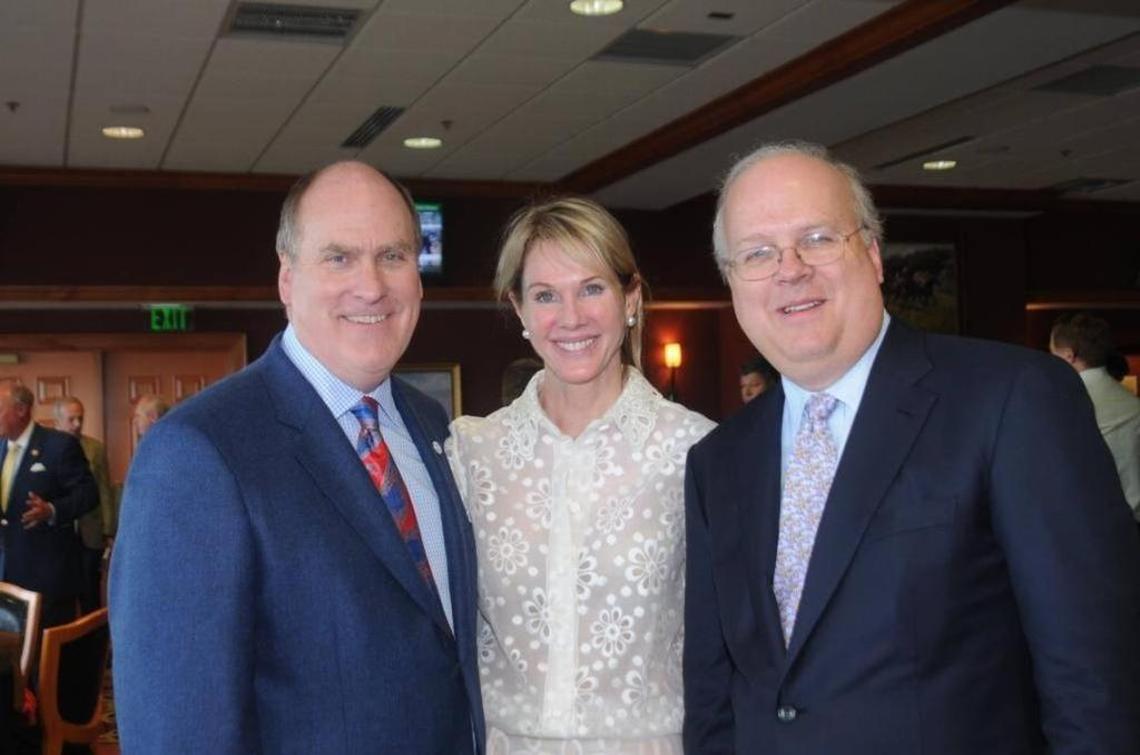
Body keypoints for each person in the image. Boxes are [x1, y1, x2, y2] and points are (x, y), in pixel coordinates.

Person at [683, 141, 1140, 753]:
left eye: (817, 238)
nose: (790, 268)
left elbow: (1094, 674)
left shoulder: (1010, 400)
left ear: (872, 254)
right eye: (757, 253)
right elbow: (717, 694)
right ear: (733, 282)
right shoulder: (719, 459)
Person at [110, 161, 486, 753]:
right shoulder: (199, 452)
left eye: (393, 255)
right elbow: (176, 730)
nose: (371, 285)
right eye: (338, 257)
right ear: (287, 280)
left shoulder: (432, 425)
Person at [447, 197, 714, 755]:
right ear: (519, 310)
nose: (571, 317)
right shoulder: (471, 453)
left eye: (592, 288)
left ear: (631, 298)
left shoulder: (696, 450)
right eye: (545, 295)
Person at [0, 380, 98, 628]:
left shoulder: (59, 445)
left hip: (46, 577)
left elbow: (88, 494)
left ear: (21, 410)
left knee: (47, 659)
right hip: (6, 576)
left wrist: (53, 510)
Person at [1050, 312, 1140, 526]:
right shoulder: (1134, 405)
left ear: (1069, 355)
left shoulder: (1061, 406)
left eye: (1052, 353)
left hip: (1087, 526)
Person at [53, 396, 114, 613]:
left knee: (90, 589)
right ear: (57, 421)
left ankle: (94, 642)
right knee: (63, 592)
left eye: (81, 418)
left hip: (90, 530)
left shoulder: (95, 448)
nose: (78, 424)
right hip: (60, 533)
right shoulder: (48, 449)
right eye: (71, 419)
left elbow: (104, 489)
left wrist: (108, 528)